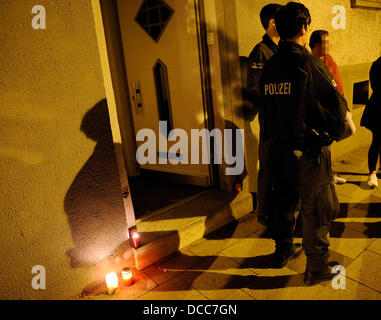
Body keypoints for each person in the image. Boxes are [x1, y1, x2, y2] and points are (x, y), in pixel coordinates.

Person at [260, 2, 355, 284]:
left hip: (279, 150)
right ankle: (316, 268)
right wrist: (336, 134)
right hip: (309, 154)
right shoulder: (311, 64)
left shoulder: (270, 65)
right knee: (317, 210)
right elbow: (341, 117)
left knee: (284, 203)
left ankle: (283, 250)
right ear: (304, 28)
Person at [247, 4, 284, 232]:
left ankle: (279, 211)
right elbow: (255, 90)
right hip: (271, 123)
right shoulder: (261, 51)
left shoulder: (281, 49)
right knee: (268, 167)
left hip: (284, 123)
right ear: (272, 22)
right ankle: (265, 213)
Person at [310, 30, 348, 185]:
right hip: (318, 111)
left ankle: (328, 175)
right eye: (325, 42)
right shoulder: (310, 62)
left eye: (329, 42)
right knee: (319, 148)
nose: (328, 45)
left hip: (330, 110)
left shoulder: (329, 60)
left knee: (328, 146)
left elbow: (338, 84)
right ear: (316, 44)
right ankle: (322, 177)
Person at [360, 56, 381, 188]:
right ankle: (372, 173)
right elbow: (377, 87)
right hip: (378, 109)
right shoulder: (378, 65)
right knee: (377, 141)